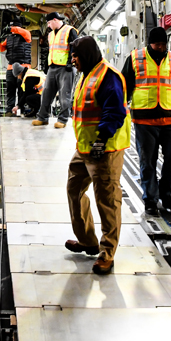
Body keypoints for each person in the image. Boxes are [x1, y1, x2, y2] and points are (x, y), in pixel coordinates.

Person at [62, 37, 130, 275]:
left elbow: (115, 112)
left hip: (104, 150)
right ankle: (88, 240)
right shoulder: (87, 74)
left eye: (76, 56)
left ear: (87, 55)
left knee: (107, 201)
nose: (73, 60)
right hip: (84, 149)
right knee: (74, 190)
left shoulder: (108, 76)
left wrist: (101, 140)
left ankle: (106, 253)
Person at [122, 27, 171, 216]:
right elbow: (124, 85)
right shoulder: (135, 59)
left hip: (170, 119)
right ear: (150, 43)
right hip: (144, 120)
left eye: (164, 44)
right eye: (158, 44)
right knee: (148, 162)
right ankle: (150, 200)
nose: (161, 47)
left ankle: (166, 193)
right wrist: (120, 109)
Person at [34, 12, 78, 129]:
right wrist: (46, 64)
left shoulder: (70, 30)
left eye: (49, 23)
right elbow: (51, 50)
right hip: (53, 67)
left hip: (65, 68)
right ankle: (42, 118)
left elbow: (75, 46)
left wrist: (70, 61)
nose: (48, 25)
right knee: (46, 93)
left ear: (55, 20)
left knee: (65, 95)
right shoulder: (51, 34)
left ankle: (62, 120)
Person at [0, 18, 33, 116]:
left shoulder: (26, 34)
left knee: (22, 89)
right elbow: (0, 48)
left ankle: (22, 108)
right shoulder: (8, 38)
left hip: (23, 66)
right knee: (10, 89)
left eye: (14, 26)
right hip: (11, 67)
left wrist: (11, 29)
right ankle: (9, 110)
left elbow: (23, 31)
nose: (12, 29)